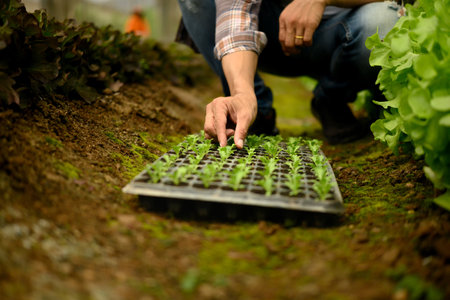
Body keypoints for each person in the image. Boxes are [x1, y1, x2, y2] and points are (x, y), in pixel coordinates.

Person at [176, 0, 402, 148]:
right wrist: (242, 92)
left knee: (382, 24)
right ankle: (255, 113)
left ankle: (332, 99)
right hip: (270, 35)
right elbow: (236, 12)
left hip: (343, 31)